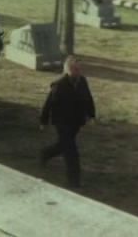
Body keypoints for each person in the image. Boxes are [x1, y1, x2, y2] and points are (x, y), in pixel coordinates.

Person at [40, 55, 96, 188]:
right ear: (67, 70)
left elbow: (88, 98)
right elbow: (49, 103)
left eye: (78, 69)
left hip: (76, 121)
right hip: (62, 122)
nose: (77, 72)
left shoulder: (82, 81)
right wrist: (43, 120)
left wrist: (91, 115)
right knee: (71, 151)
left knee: (63, 145)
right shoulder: (59, 85)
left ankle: (45, 154)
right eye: (74, 69)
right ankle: (74, 182)